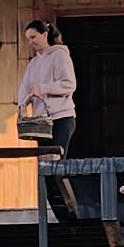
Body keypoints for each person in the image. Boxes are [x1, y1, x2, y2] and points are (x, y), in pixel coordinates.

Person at [18, 19, 77, 154]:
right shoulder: (34, 63)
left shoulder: (60, 55)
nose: (30, 42)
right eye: (28, 39)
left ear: (44, 35)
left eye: (33, 37)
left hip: (61, 118)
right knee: (44, 163)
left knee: (56, 162)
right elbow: (25, 87)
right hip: (42, 123)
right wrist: (22, 106)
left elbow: (69, 84)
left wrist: (44, 88)